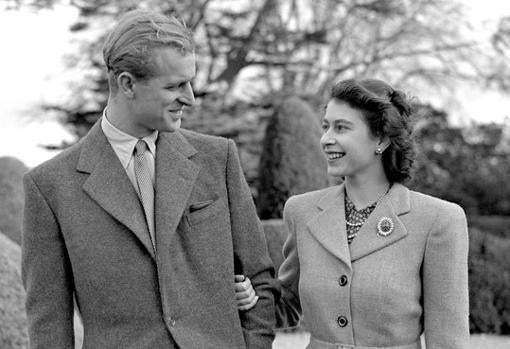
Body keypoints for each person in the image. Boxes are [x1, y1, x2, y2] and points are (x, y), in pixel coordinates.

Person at [22, 9, 277, 349]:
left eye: (189, 82)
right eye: (174, 86)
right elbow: (49, 325)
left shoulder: (219, 159)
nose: (189, 97)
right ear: (127, 83)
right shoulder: (50, 186)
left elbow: (260, 280)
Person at [236, 78, 470, 348]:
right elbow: (287, 305)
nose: (326, 139)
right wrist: (252, 297)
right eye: (325, 127)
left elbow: (448, 341)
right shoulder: (301, 211)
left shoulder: (438, 220)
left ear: (380, 138)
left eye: (341, 128)